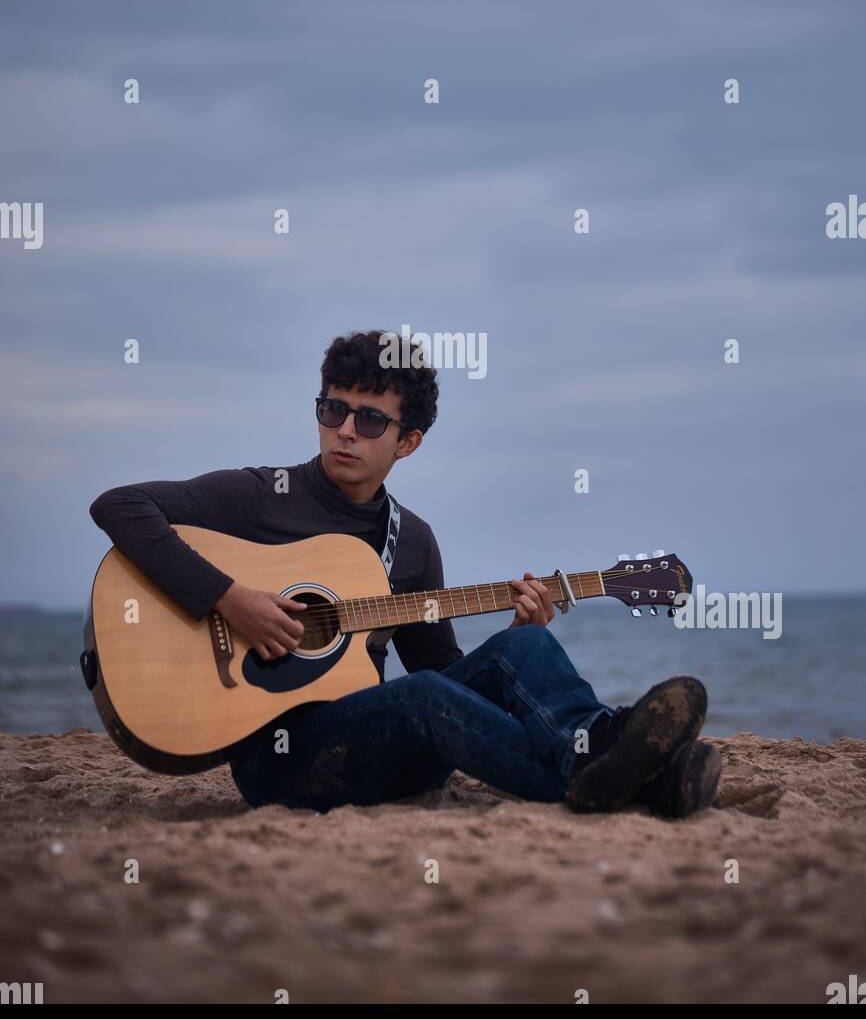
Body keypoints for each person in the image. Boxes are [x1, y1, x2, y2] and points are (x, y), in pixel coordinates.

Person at [89, 328, 721, 818]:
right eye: (332, 409)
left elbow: (444, 678)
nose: (344, 431)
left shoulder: (411, 543)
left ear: (408, 442)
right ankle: (631, 778)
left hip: (387, 755)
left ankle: (597, 745)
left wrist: (517, 622)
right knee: (423, 701)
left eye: (369, 419)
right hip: (283, 769)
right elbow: (120, 506)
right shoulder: (263, 497)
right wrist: (229, 599)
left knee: (523, 644)